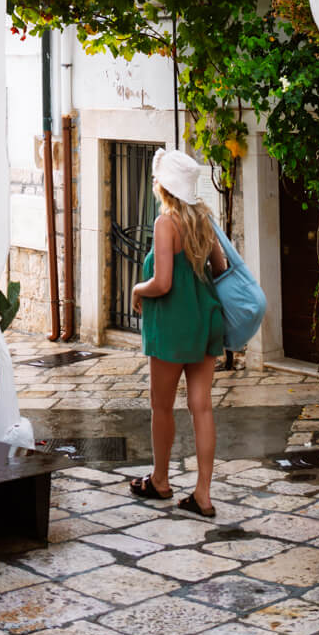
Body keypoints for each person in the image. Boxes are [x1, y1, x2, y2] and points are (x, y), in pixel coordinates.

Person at [129, 147, 227, 518]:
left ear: (165, 187)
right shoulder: (204, 219)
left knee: (161, 406)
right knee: (201, 407)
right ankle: (202, 494)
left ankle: (160, 480)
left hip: (173, 324)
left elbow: (163, 282)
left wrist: (138, 289)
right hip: (206, 319)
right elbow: (220, 267)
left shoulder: (165, 224)